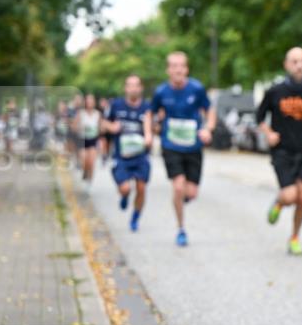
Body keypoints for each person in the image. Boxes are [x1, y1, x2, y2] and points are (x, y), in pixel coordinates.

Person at [256, 46, 302, 256]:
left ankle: (294, 237)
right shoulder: (275, 91)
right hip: (282, 152)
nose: (299, 65)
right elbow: (259, 117)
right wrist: (268, 133)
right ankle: (279, 202)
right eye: (295, 61)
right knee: (290, 196)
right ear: (287, 65)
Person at [150, 51, 216, 247]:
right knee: (178, 186)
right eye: (174, 66)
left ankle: (181, 199)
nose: (178, 69)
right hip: (171, 145)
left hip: (193, 146)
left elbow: (209, 111)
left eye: (181, 66)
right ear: (168, 70)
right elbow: (150, 114)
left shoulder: (196, 89)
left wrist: (208, 128)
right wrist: (151, 129)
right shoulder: (161, 92)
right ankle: (181, 228)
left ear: (186, 69)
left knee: (191, 193)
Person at [104, 75, 154, 232]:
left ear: (141, 88)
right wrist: (112, 127)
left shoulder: (147, 107)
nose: (133, 88)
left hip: (140, 156)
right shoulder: (116, 105)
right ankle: (124, 196)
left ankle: (135, 218)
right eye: (130, 85)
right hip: (121, 156)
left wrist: (148, 137)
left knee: (141, 188)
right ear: (126, 88)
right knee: (126, 188)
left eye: (136, 85)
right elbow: (103, 122)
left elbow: (150, 128)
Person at [74, 94, 102, 183]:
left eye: (91, 101)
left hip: (93, 140)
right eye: (88, 101)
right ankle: (85, 172)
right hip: (83, 140)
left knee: (91, 162)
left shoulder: (98, 114)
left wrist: (99, 131)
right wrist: (80, 127)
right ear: (85, 102)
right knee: (84, 160)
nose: (90, 103)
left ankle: (90, 180)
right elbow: (74, 126)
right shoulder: (81, 113)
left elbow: (100, 128)